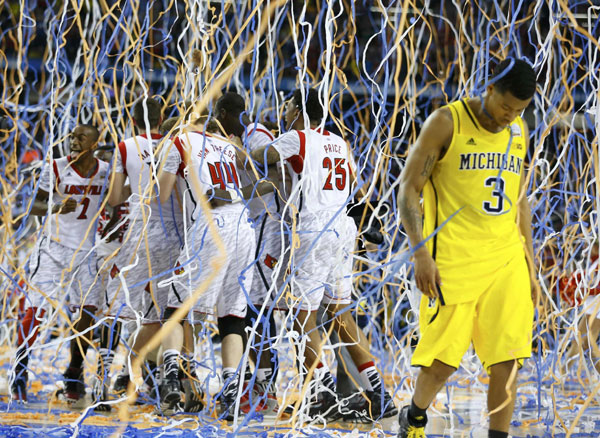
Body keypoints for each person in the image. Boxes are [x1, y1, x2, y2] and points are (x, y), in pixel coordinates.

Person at [396, 58, 537, 438]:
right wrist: (420, 253)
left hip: (506, 256)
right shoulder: (446, 122)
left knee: (508, 359)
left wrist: (530, 263)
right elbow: (408, 188)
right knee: (441, 364)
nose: (510, 116)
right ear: (489, 89)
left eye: (519, 110)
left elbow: (519, 199)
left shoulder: (518, 130)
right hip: (452, 259)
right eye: (506, 106)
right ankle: (415, 415)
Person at [249, 88, 397, 422]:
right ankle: (378, 391)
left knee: (303, 317)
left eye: (286, 104)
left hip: (313, 230)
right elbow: (354, 189)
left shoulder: (296, 137)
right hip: (342, 228)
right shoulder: (340, 143)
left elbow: (259, 158)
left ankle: (321, 391)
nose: (283, 110)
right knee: (341, 315)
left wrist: (237, 149)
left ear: (298, 111)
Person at [156, 115, 260, 419]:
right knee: (231, 317)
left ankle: (171, 378)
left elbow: (161, 194)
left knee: (176, 310)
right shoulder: (227, 146)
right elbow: (251, 179)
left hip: (212, 228)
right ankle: (231, 391)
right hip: (244, 227)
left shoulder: (179, 141)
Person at [11, 124, 110, 403]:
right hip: (53, 249)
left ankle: (74, 372)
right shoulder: (54, 167)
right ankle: (20, 370)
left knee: (87, 316)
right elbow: (34, 206)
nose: (74, 141)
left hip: (87, 251)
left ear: (94, 143)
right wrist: (55, 207)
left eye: (81, 137)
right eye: (72, 137)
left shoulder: (105, 171)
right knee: (35, 312)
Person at [105, 97, 184, 402]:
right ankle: (168, 378)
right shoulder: (177, 143)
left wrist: (134, 187)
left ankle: (128, 373)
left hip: (141, 230)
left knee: (140, 311)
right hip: (176, 230)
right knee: (172, 312)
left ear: (134, 119)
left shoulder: (126, 146)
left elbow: (114, 198)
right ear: (162, 116)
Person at [215, 91, 285, 415]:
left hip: (268, 226)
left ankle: (265, 385)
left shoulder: (256, 134)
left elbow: (275, 179)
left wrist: (240, 157)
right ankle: (256, 381)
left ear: (227, 112)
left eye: (217, 114)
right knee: (248, 307)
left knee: (258, 308)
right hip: (249, 225)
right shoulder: (231, 137)